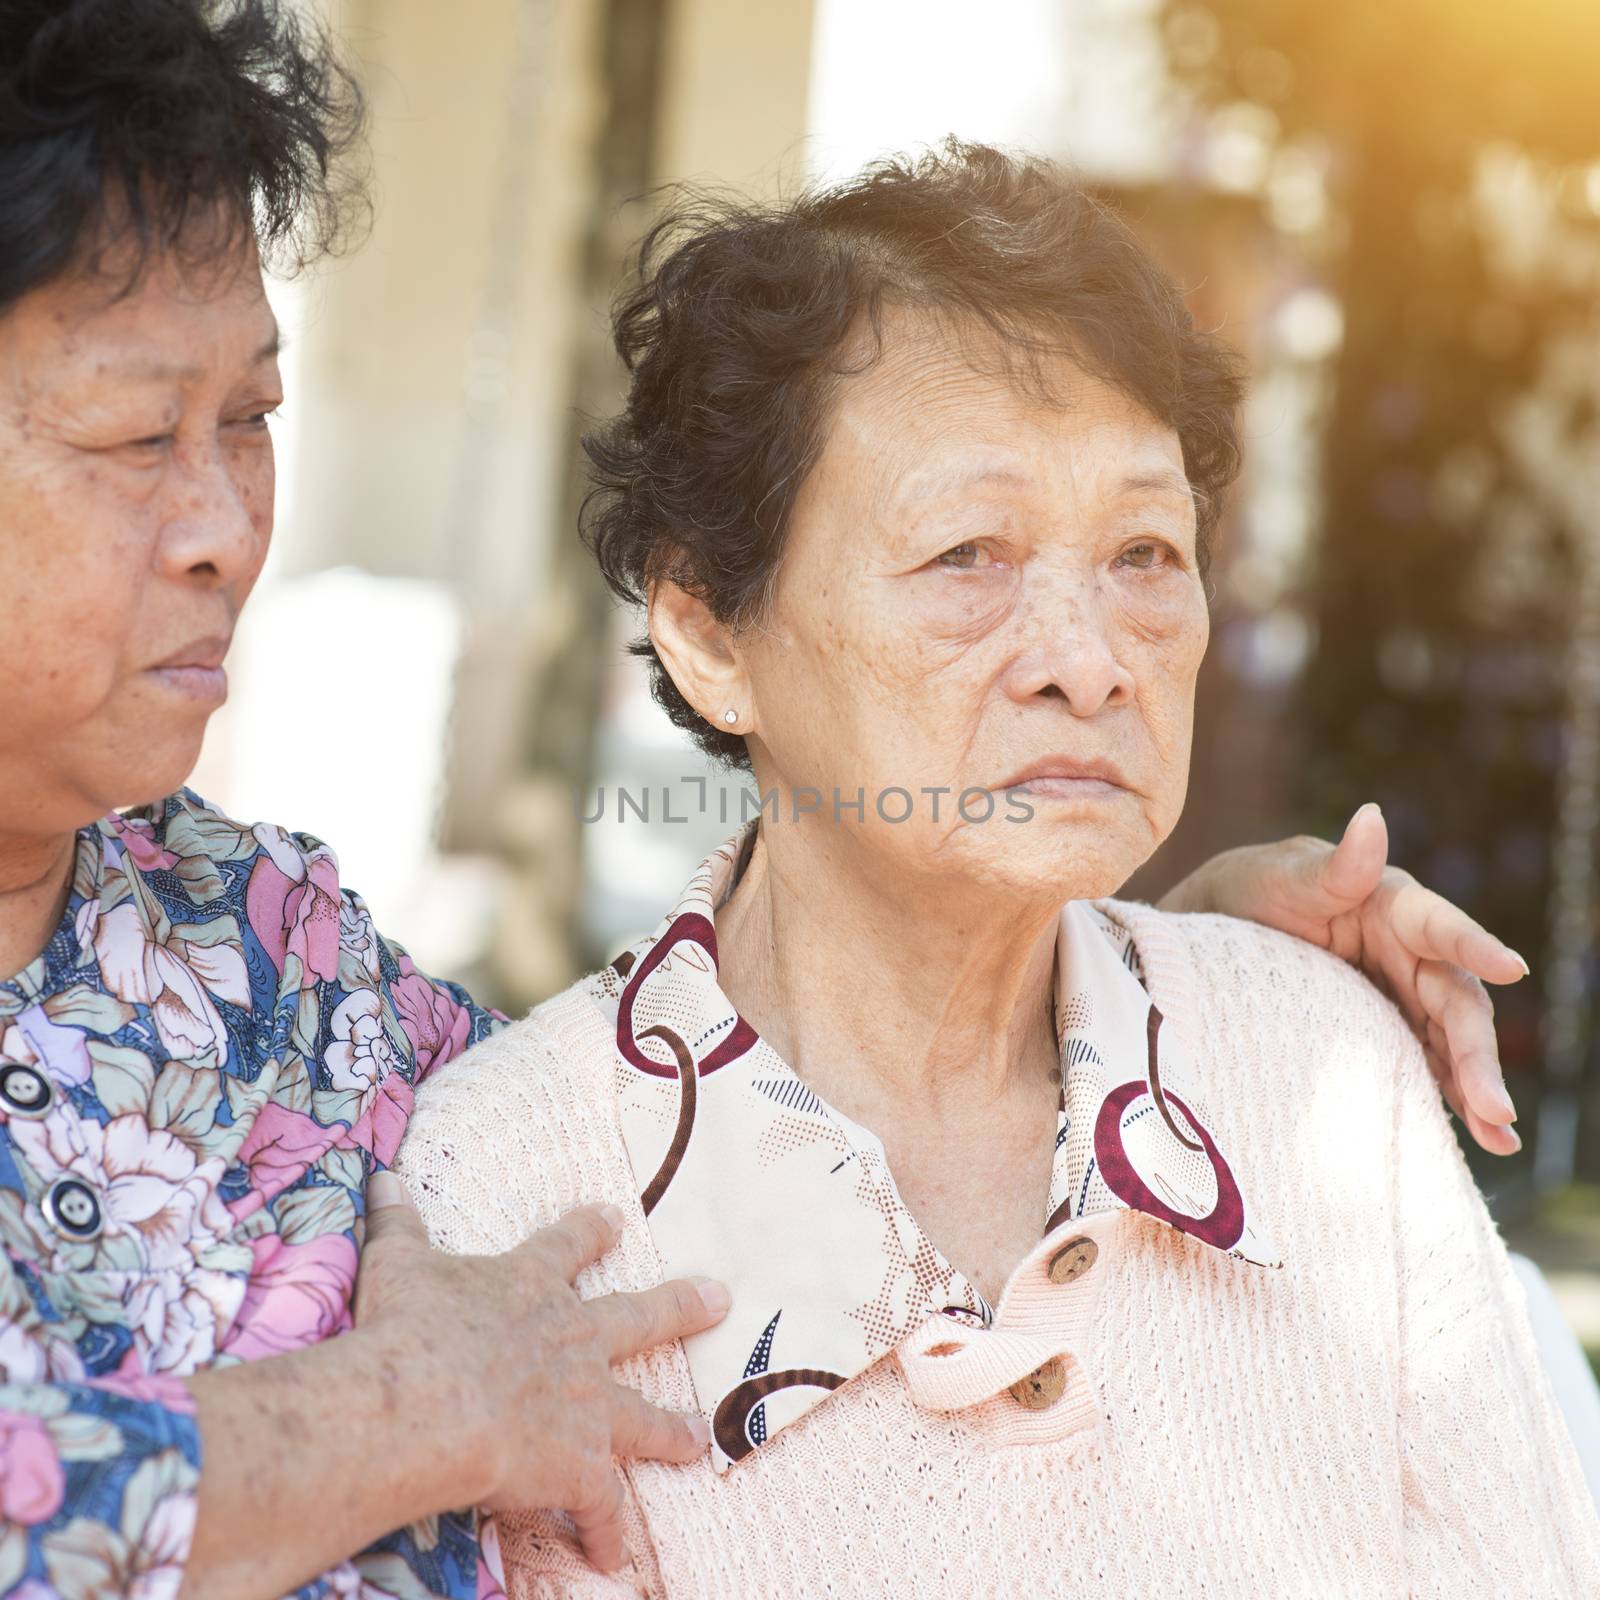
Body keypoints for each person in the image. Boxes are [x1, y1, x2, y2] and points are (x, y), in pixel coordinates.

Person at [0, 2, 1528, 1594]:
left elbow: (664, 1073)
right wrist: (400, 1417)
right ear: (705, 633)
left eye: (248, 421)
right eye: (129, 431)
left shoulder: (267, 955)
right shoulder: (478, 1153)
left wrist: (1179, 970)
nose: (219, 528)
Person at [397, 144, 1600, 1597]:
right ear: (712, 635)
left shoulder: (1323, 1071)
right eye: (970, 552)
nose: (1090, 662)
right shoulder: (511, 1190)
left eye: (1147, 552)